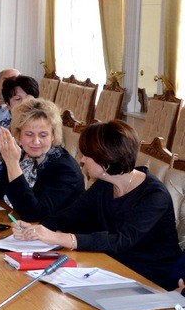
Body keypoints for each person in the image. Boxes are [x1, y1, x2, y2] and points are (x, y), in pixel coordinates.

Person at [11, 121, 183, 291]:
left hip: (148, 277)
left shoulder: (154, 196)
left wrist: (59, 238)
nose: (82, 159)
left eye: (87, 155)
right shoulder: (105, 184)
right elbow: (71, 215)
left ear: (105, 159)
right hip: (109, 265)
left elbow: (120, 241)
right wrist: (36, 229)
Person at [0, 98, 84, 221]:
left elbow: (34, 214)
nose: (36, 141)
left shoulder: (65, 169)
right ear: (18, 135)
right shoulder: (26, 155)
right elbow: (2, 183)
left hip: (54, 230)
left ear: (53, 136)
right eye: (29, 134)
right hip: (21, 224)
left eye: (43, 135)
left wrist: (13, 164)